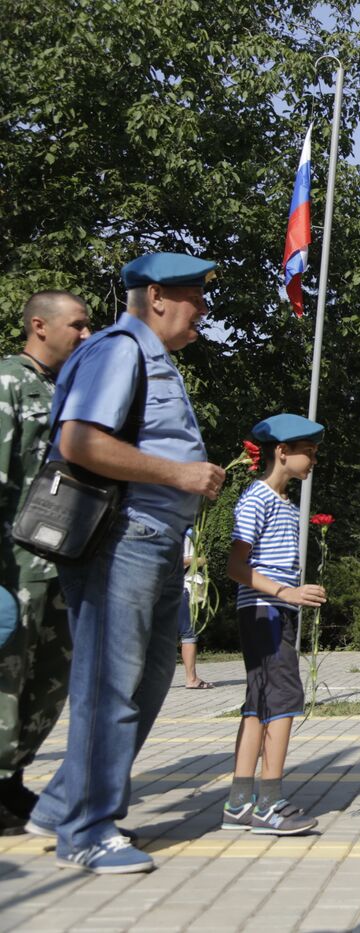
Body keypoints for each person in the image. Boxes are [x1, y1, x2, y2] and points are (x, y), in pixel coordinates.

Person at [27, 253, 226, 874]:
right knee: (108, 687)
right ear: (159, 297)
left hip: (156, 540)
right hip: (121, 539)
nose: (204, 312)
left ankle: (64, 803)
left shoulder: (152, 356)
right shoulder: (119, 350)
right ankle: (87, 831)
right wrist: (181, 472)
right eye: (196, 298)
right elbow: (79, 442)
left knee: (146, 683)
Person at [0, 290, 90, 833]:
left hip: (62, 561)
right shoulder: (8, 382)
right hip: (14, 563)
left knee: (49, 679)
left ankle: (11, 781)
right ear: (40, 324)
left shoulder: (69, 388)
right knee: (6, 674)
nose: (84, 334)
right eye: (77, 325)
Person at [221, 413, 325, 836]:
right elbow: (234, 566)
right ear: (282, 452)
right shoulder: (257, 499)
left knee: (258, 705)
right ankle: (269, 805)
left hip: (272, 611)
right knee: (282, 701)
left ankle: (239, 804)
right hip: (264, 611)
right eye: (309, 452)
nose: (314, 460)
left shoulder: (285, 504)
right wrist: (287, 593)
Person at [178, 529, 212, 689]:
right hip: (181, 587)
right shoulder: (183, 531)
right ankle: (191, 679)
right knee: (188, 632)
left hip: (170, 586)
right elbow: (180, 560)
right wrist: (201, 560)